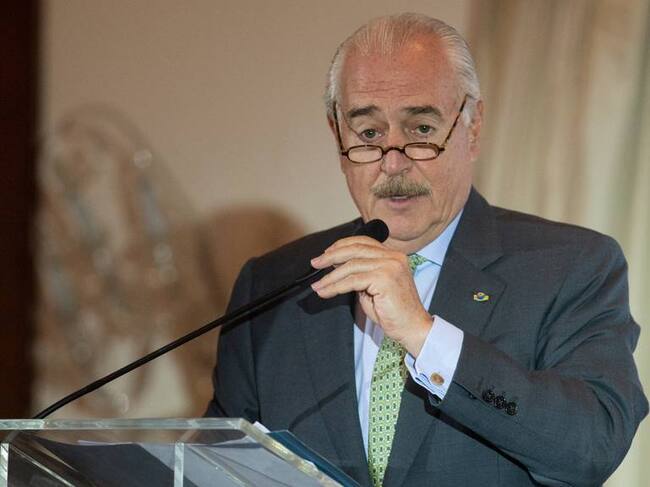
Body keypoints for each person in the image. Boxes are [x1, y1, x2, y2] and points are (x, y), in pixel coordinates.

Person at [206, 13, 648, 486]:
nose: (393, 163)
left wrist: (424, 335)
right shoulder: (273, 286)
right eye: (369, 134)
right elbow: (216, 466)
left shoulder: (570, 266)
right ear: (337, 135)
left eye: (420, 129)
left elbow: (591, 446)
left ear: (472, 126)